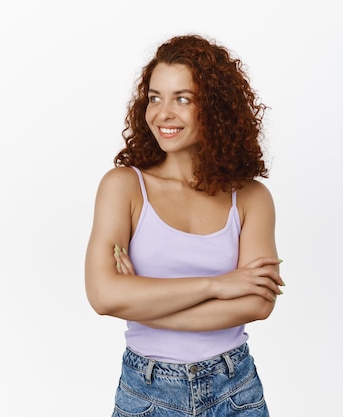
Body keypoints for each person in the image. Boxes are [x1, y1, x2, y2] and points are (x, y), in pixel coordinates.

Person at [84, 34, 284, 417]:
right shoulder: (124, 187)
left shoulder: (251, 197)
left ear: (215, 109)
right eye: (155, 97)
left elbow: (258, 304)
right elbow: (103, 295)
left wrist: (141, 301)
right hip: (147, 392)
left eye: (182, 99)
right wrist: (217, 285)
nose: (163, 113)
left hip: (235, 391)